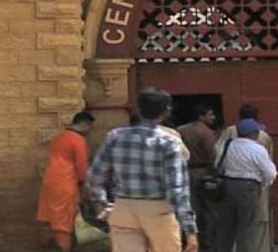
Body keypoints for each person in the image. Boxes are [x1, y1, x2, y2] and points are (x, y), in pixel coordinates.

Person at [85, 87, 198, 252]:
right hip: (159, 210)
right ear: (166, 112)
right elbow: (177, 190)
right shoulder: (169, 142)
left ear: (138, 109)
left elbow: (95, 177)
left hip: (124, 207)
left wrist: (103, 207)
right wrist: (189, 230)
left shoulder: (115, 137)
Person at [214, 103, 274, 252]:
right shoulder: (259, 145)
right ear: (254, 132)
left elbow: (217, 160)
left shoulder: (228, 141)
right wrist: (263, 184)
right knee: (247, 227)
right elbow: (270, 172)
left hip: (228, 185)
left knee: (225, 226)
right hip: (250, 187)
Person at [37, 111, 95, 251]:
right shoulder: (78, 140)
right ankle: (64, 247)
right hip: (66, 182)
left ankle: (58, 244)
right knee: (64, 218)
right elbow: (82, 166)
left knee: (54, 216)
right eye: (90, 127)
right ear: (85, 124)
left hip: (51, 180)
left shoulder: (60, 137)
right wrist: (85, 184)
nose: (90, 131)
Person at [178, 105, 218, 252]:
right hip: (203, 173)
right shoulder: (208, 133)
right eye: (210, 115)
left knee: (188, 208)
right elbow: (212, 157)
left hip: (184, 172)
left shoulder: (180, 131)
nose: (213, 118)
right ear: (201, 116)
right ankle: (207, 244)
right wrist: (214, 174)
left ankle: (187, 241)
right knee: (208, 211)